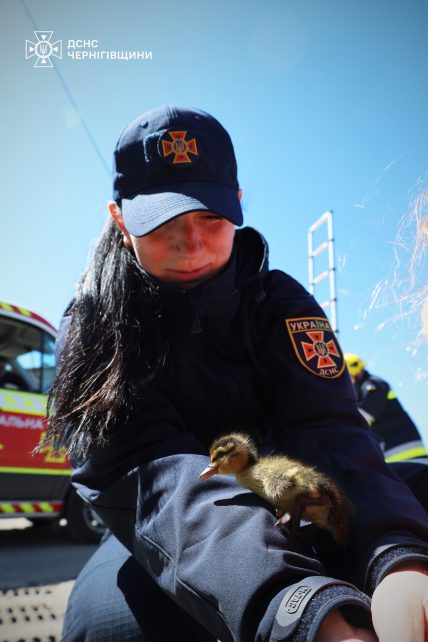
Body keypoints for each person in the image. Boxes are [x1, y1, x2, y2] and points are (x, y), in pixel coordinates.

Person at [45, 105, 428, 642]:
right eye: (164, 225)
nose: (193, 246)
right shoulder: (96, 330)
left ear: (239, 205)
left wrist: (398, 559)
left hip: (299, 495)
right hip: (176, 526)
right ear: (120, 220)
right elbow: (155, 483)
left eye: (211, 218)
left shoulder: (280, 303)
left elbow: (332, 435)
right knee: (108, 621)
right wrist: (298, 608)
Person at [344, 353, 428, 512]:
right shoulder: (364, 388)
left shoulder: (375, 385)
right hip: (397, 460)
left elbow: (362, 418)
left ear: (355, 371)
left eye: (348, 377)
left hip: (411, 459)